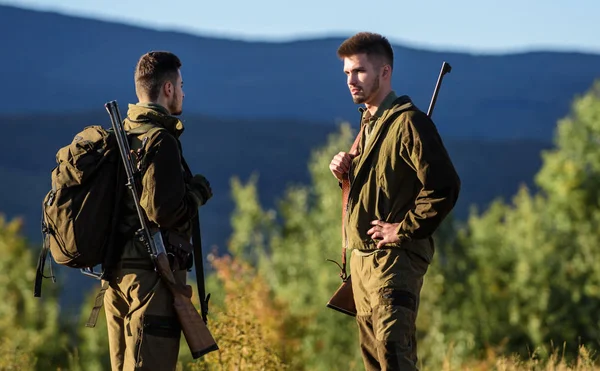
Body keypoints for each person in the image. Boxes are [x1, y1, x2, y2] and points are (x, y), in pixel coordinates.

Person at [329, 32, 461, 370]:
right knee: (376, 362)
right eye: (346, 73)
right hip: (362, 267)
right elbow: (380, 188)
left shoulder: (408, 122)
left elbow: (445, 185)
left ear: (384, 72)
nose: (351, 80)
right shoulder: (369, 124)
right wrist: (345, 172)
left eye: (358, 71)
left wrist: (403, 229)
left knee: (394, 357)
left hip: (393, 263)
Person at [103, 51, 213, 371]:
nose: (183, 92)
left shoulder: (122, 133)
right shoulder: (159, 139)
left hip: (116, 275)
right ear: (167, 89)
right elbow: (162, 213)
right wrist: (196, 193)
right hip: (151, 278)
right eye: (180, 84)